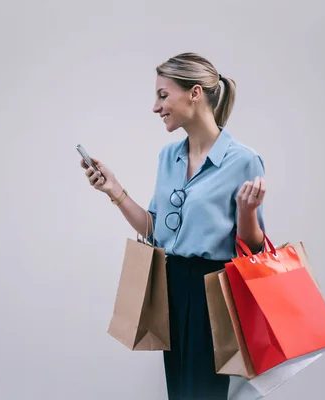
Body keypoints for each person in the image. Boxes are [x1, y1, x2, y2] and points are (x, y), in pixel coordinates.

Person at [79, 52, 267, 400]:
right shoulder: (168, 156)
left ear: (194, 93)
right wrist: (114, 190)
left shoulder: (243, 160)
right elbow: (156, 231)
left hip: (215, 291)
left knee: (204, 394)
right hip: (173, 284)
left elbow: (253, 250)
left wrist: (247, 212)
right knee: (180, 392)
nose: (156, 106)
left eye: (163, 96)